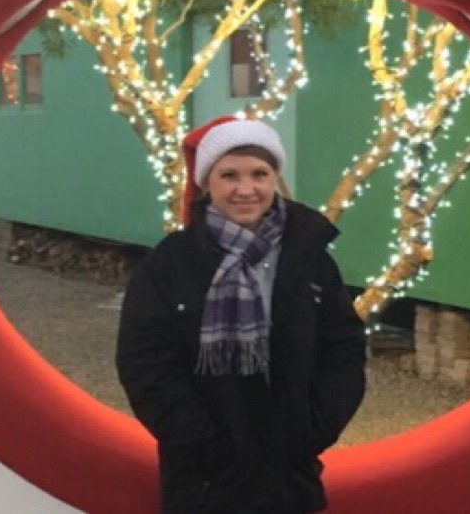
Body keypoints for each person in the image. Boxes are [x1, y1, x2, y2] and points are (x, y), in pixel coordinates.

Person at [116, 117, 367, 514]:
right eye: (229, 175)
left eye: (259, 174)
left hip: (291, 479)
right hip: (204, 482)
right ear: (207, 183)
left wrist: (312, 429)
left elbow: (343, 348)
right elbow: (146, 364)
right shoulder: (171, 263)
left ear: (274, 179)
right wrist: (206, 446)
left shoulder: (309, 259)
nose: (246, 189)